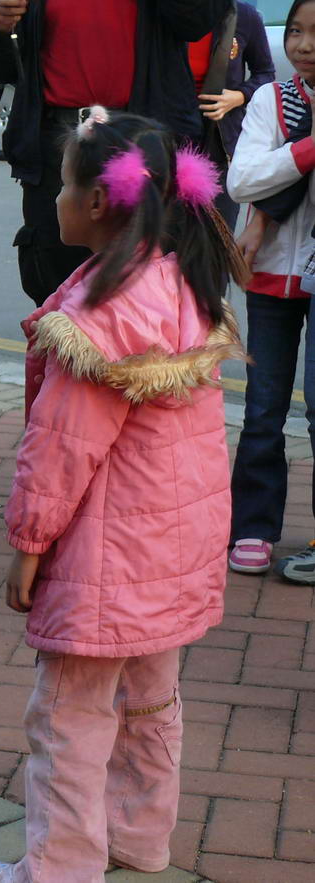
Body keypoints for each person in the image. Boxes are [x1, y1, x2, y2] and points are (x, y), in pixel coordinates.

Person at [0, 109, 246, 883]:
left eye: (64, 184)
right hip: (171, 551)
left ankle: (58, 869)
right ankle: (139, 835)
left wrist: (28, 546)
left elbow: (60, 450)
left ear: (97, 203)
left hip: (106, 557)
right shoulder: (182, 283)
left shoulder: (98, 315)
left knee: (68, 716)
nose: (54, 199)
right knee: (152, 699)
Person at [0, 0, 228, 307]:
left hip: (146, 142)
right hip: (59, 146)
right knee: (59, 293)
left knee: (154, 298)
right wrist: (2, 25)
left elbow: (199, 20)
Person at [225, 0, 315, 584]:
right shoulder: (270, 100)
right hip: (271, 275)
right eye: (298, 30)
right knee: (263, 409)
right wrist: (308, 149)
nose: (304, 43)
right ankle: (254, 526)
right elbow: (243, 180)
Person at [187, 1, 274, 230]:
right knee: (170, 239)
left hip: (220, 138)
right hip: (174, 133)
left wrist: (238, 96)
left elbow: (265, 72)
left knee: (218, 233)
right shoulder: (168, 14)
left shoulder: (243, 15)